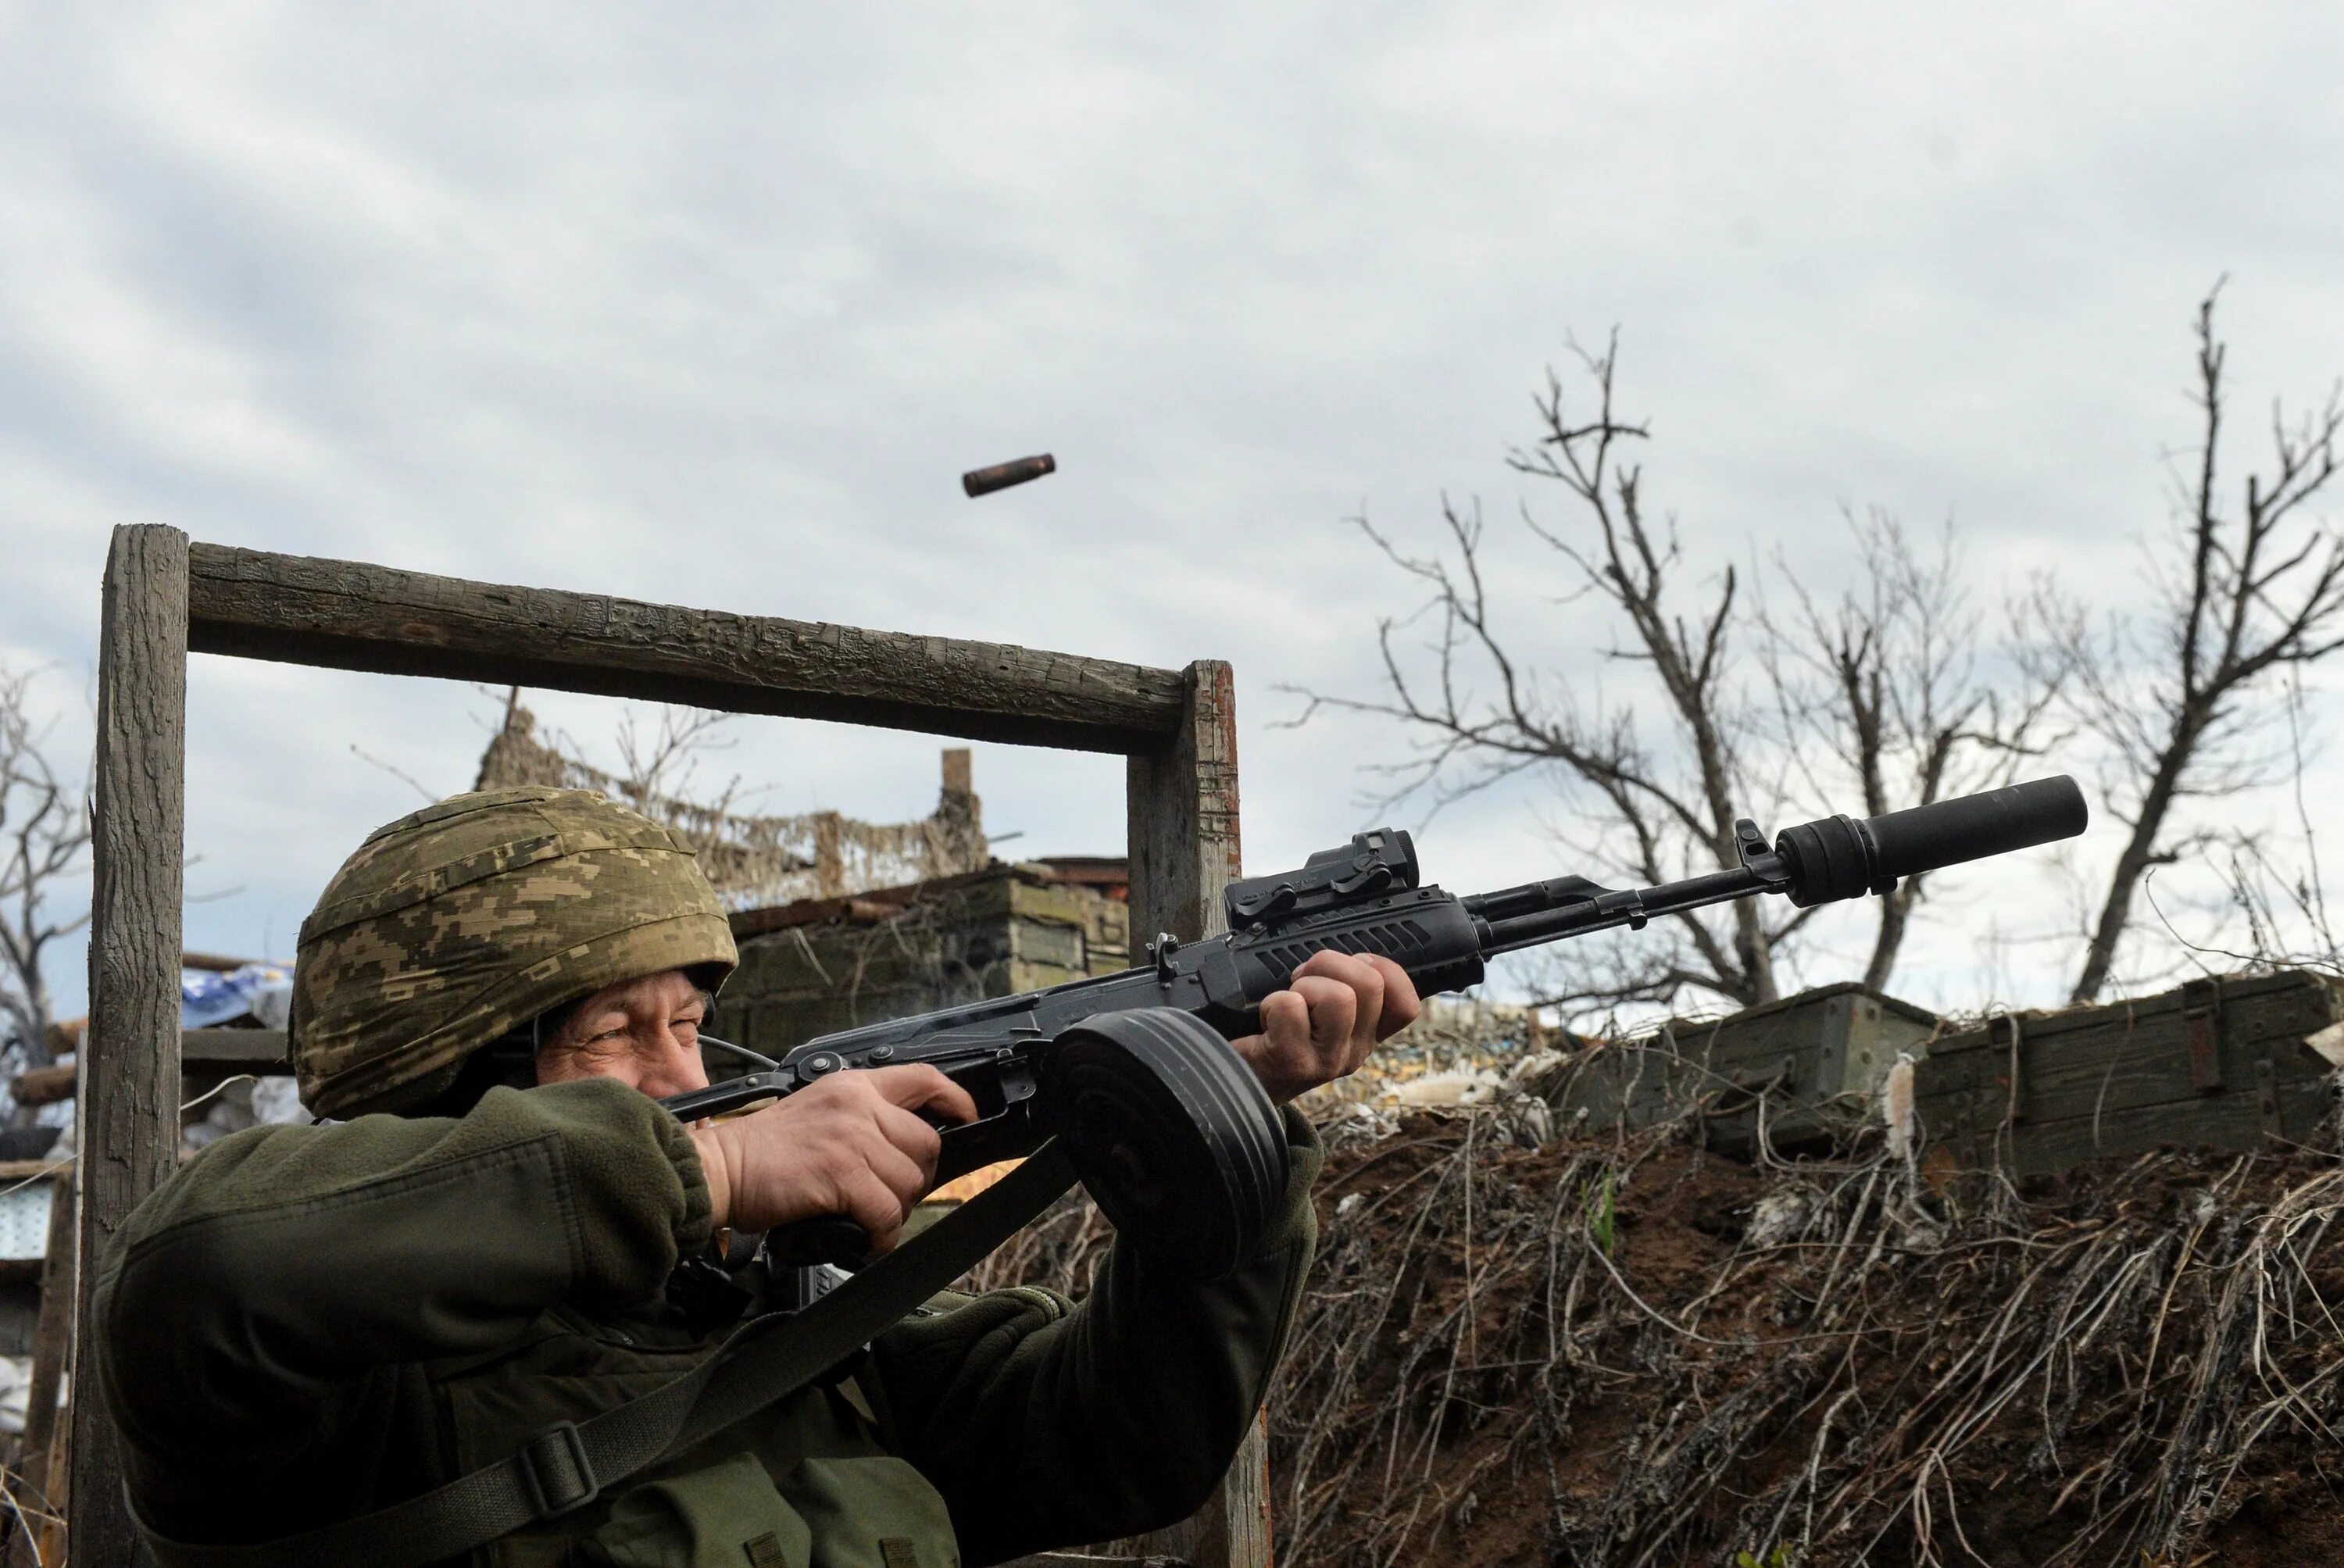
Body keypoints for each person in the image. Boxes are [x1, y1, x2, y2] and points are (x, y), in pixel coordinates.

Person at [95, 786, 1419, 1567]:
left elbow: (1119, 1445)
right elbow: (204, 1272)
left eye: (689, 1025)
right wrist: (714, 1167)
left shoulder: (779, 1330)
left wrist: (1224, 1136)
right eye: (616, 1032)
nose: (679, 1078)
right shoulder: (332, 1397)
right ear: (444, 1081)